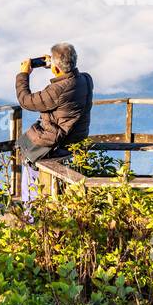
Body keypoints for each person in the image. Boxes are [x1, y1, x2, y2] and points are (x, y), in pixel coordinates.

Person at [14, 43, 94, 197]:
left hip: (57, 144)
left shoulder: (57, 90)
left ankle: (31, 213)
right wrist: (55, 63)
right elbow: (68, 73)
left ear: (56, 69)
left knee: (27, 154)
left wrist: (23, 75)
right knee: (26, 142)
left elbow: (25, 100)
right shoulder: (86, 79)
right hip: (76, 139)